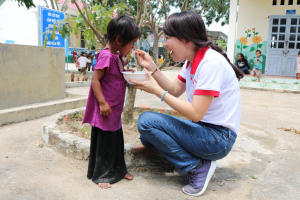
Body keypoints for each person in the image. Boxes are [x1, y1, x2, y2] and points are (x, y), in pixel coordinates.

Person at [130, 10, 243, 197]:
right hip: (205, 130)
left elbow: (195, 113)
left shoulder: (210, 63)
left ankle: (196, 167)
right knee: (147, 138)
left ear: (186, 40)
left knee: (147, 122)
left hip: (219, 138)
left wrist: (157, 91)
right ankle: (199, 159)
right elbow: (175, 89)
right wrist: (151, 67)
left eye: (167, 38)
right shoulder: (191, 61)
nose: (164, 44)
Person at [82, 15, 141, 189]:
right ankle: (101, 175)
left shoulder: (117, 56)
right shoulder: (106, 56)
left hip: (115, 110)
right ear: (119, 40)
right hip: (105, 110)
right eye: (131, 43)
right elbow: (95, 80)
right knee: (105, 143)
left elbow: (117, 75)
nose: (133, 47)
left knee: (116, 141)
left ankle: (119, 170)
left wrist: (129, 72)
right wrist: (102, 102)